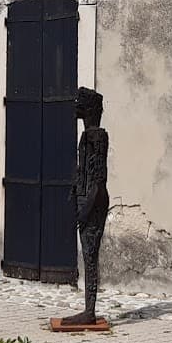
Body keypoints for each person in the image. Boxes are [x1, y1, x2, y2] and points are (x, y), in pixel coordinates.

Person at [60, 87, 109, 327]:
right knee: (87, 255)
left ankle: (89, 311)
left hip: (93, 204)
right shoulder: (86, 136)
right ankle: (87, 309)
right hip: (84, 199)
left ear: (88, 109)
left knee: (90, 257)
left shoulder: (97, 136)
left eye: (80, 104)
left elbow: (98, 182)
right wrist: (74, 191)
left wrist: (86, 209)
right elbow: (84, 172)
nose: (75, 107)